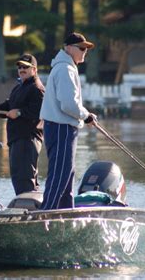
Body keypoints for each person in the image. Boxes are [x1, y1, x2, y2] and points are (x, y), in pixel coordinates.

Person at [39, 32, 97, 210]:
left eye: (86, 49)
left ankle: (65, 218)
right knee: (59, 176)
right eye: (81, 48)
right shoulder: (65, 69)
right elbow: (68, 105)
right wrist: (86, 115)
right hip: (61, 129)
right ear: (69, 48)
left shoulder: (65, 67)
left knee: (66, 177)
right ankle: (45, 217)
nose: (84, 52)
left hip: (60, 128)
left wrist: (84, 115)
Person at [0, 54, 45, 195]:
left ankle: (30, 209)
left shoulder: (37, 88)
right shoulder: (19, 88)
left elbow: (39, 112)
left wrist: (20, 112)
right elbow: (7, 107)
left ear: (34, 70)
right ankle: (25, 205)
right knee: (18, 178)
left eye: (25, 67)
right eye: (20, 67)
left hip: (28, 140)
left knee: (25, 178)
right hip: (16, 140)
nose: (22, 69)